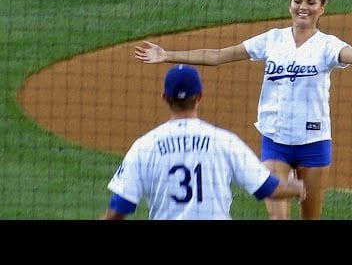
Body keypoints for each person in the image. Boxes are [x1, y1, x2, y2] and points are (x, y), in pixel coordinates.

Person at [134, 0, 352, 220]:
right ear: (290, 4)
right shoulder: (271, 39)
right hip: (275, 141)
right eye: (298, 1)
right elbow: (218, 55)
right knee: (278, 218)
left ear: (322, 8)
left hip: (314, 144)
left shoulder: (327, 46)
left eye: (311, 3)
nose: (303, 7)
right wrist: (167, 54)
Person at [100, 64, 306, 220]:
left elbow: (120, 206)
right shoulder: (225, 142)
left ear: (165, 97)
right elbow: (268, 189)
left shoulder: (144, 146)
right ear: (199, 96)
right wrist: (296, 187)